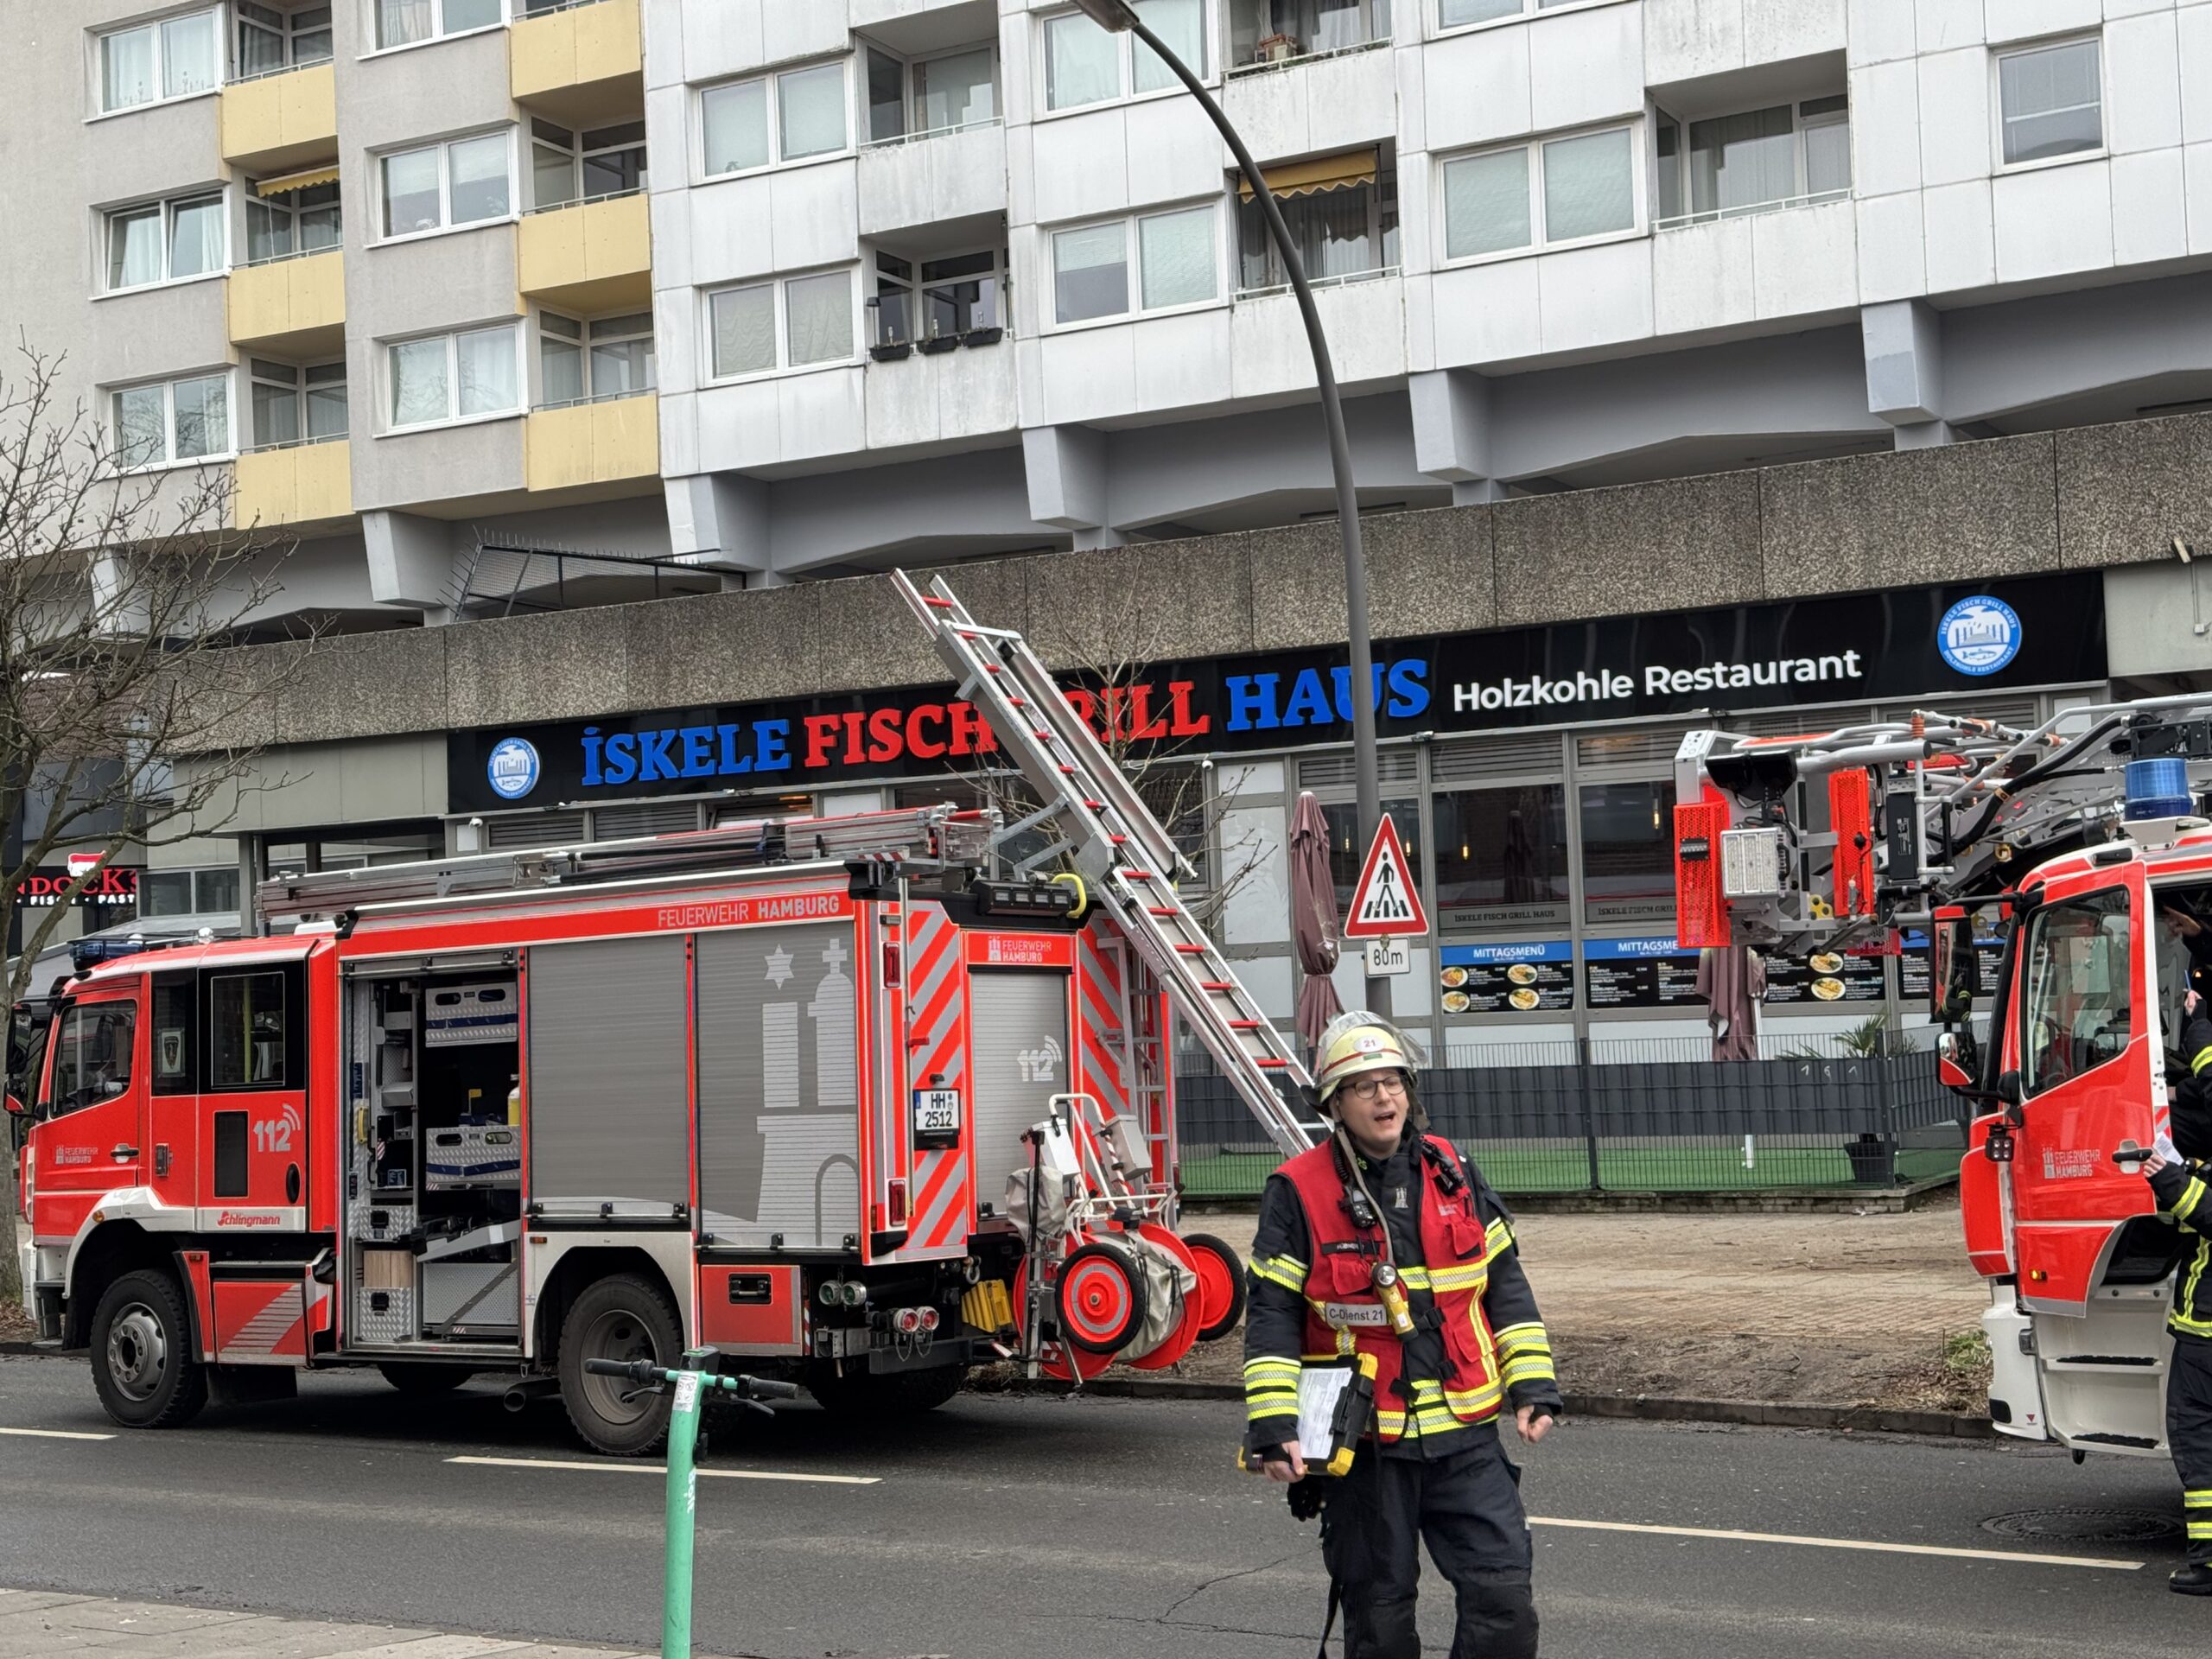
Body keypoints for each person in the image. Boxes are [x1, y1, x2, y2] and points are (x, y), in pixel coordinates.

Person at [1243, 1012, 1560, 1657]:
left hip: (1465, 1438)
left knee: (1504, 1602)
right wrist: (1273, 1424)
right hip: (1367, 1448)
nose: (1384, 1097)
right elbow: (1272, 1313)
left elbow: (1504, 1283)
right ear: (1335, 1103)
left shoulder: (1455, 1171)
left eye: (1392, 1082)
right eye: (1364, 1086)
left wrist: (1532, 1382)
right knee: (1379, 1619)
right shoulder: (1297, 1190)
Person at [2145, 990, 2212, 1595]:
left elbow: (2206, 1213)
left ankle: (2209, 1562)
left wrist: (2167, 1179)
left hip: (2206, 1333)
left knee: (2196, 1440)